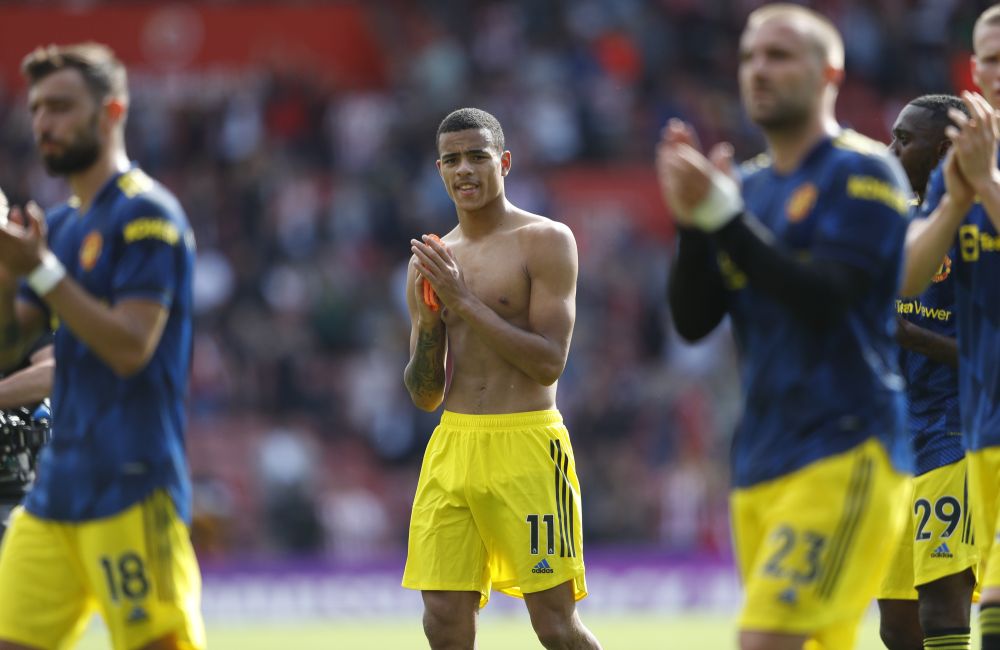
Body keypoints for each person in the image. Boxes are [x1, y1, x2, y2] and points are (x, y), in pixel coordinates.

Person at [657, 5, 912, 649]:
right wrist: (693, 225)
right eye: (749, 57)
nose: (758, 70)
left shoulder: (864, 173)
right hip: (760, 460)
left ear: (830, 71)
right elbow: (694, 322)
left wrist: (722, 217)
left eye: (779, 55)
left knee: (766, 640)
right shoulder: (746, 188)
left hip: (845, 446)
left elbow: (826, 297)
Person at [0, 43, 204, 650]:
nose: (44, 123)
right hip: (54, 491)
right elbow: (14, 336)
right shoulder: (59, 226)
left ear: (111, 112)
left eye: (61, 106)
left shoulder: (149, 217)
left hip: (132, 485)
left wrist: (38, 270)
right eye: (36, 109)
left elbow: (129, 347)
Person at [401, 107, 601, 650]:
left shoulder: (546, 239)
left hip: (527, 445)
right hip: (453, 444)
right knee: (441, 618)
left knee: (555, 625)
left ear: (504, 162)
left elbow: (548, 362)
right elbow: (424, 395)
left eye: (476, 156)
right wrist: (426, 324)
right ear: (438, 170)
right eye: (451, 160)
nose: (463, 170)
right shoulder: (432, 261)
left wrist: (462, 302)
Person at [902, 6, 1000, 649]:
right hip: (983, 429)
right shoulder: (951, 174)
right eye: (990, 58)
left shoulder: (976, 171)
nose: (997, 71)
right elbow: (907, 280)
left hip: (955, 429)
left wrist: (985, 185)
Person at [877, 95, 978, 650]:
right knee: (897, 622)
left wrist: (907, 335)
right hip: (894, 443)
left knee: (942, 603)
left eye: (904, 139)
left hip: (952, 437)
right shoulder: (895, 225)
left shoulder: (976, 229)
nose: (891, 149)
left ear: (943, 150)